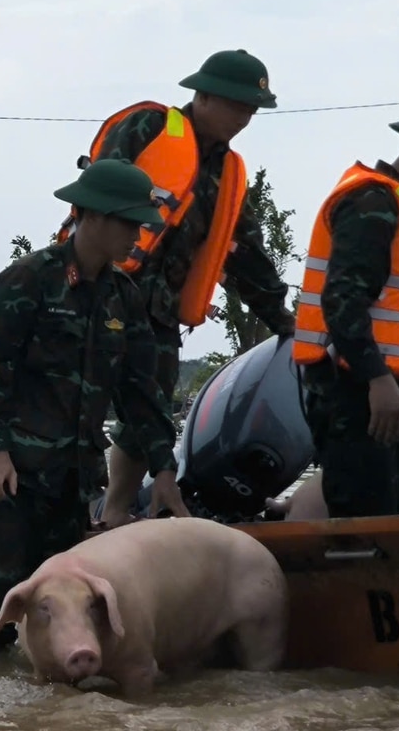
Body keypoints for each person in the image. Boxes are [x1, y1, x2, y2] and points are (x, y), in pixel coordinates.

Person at [0, 160, 189, 653]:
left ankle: (54, 724)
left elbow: (140, 393)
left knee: (65, 612)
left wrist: (164, 468)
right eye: (130, 223)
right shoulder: (28, 281)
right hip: (12, 481)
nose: (137, 234)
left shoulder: (123, 297)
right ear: (92, 215)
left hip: (75, 484)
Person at [73, 50, 297, 530]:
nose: (244, 118)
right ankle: (75, 508)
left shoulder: (228, 174)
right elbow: (94, 196)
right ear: (204, 95)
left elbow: (247, 254)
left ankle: (117, 510)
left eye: (252, 110)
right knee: (78, 401)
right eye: (237, 105)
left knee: (150, 409)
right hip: (97, 294)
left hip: (157, 313)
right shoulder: (149, 129)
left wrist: (284, 323)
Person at [290, 104, 399, 518]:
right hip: (359, 395)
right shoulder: (372, 202)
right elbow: (342, 300)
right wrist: (377, 379)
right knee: (369, 522)